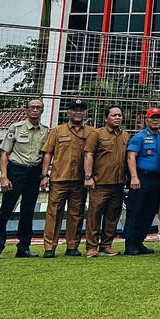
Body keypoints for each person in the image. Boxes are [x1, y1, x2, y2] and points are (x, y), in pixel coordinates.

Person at [0, 99, 48, 260]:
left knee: (28, 211)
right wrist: (4, 176)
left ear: (42, 110)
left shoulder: (45, 131)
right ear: (27, 110)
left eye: (38, 108)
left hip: (34, 173)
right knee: (6, 210)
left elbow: (45, 156)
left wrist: (44, 176)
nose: (35, 110)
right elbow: (4, 154)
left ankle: (23, 247)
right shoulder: (15, 127)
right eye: (32, 107)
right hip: (16, 171)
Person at [40, 98, 92, 257]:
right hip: (59, 179)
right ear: (69, 112)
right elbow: (48, 153)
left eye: (81, 110)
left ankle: (72, 246)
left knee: (76, 214)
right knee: (53, 213)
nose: (78, 112)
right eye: (75, 110)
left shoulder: (90, 132)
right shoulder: (57, 131)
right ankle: (50, 247)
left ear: (85, 113)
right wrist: (44, 175)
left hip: (79, 180)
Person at [83, 106, 129, 258]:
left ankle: (106, 245)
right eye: (114, 115)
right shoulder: (97, 134)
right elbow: (89, 155)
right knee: (94, 215)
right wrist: (88, 177)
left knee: (112, 216)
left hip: (118, 183)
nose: (117, 118)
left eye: (119, 115)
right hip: (100, 182)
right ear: (106, 118)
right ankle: (91, 246)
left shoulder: (125, 135)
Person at [124, 107, 160, 255]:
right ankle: (130, 244)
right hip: (141, 177)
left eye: (158, 117)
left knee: (149, 212)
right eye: (152, 117)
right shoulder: (139, 137)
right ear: (146, 120)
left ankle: (139, 241)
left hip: (156, 179)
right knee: (136, 210)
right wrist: (134, 177)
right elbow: (131, 157)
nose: (155, 120)